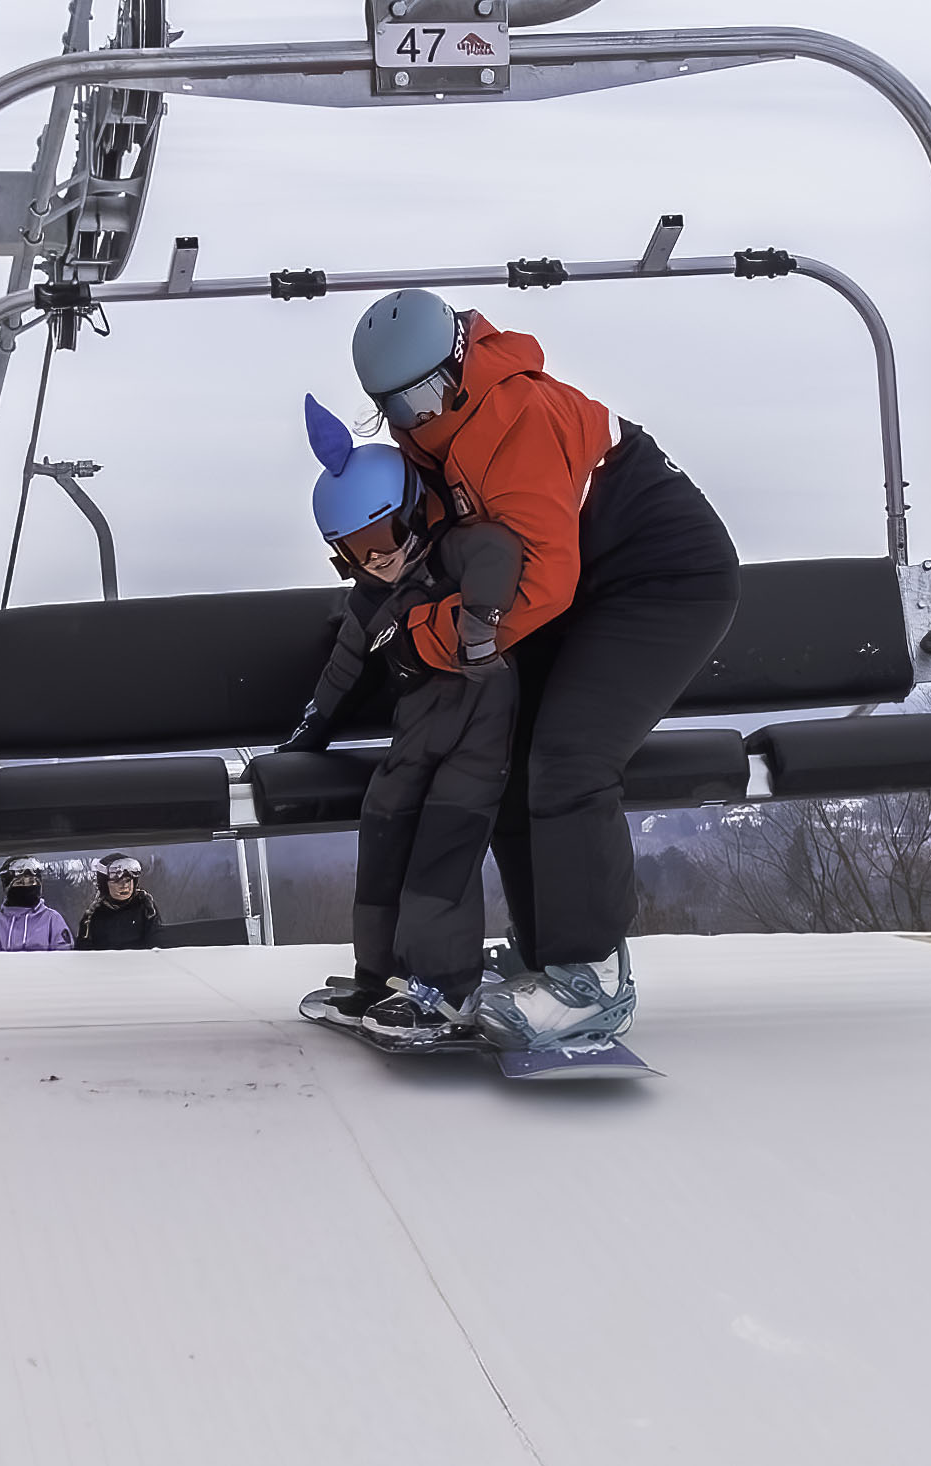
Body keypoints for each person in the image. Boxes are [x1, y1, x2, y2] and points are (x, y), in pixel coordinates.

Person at [344, 289, 740, 1052]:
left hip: (662, 579)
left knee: (570, 759)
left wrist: (424, 637)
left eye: (426, 392)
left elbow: (541, 583)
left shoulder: (511, 416)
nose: (416, 414)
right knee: (513, 760)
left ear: (458, 361)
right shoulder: (432, 435)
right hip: (584, 587)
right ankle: (545, 959)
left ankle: (589, 981)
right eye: (394, 403)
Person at [283, 395, 522, 1043]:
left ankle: (444, 988)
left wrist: (479, 621)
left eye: (385, 536)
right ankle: (379, 976)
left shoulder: (456, 554)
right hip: (413, 737)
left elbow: (500, 554)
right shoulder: (369, 604)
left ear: (416, 509)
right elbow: (341, 676)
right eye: (355, 550)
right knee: (383, 838)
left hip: (477, 733)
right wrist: (306, 736)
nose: (379, 558)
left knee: (439, 857)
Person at [0, 855, 75, 952]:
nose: (26, 887)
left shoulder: (52, 920)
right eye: (19, 883)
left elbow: (63, 957)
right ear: (7, 887)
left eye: (32, 882)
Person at [76, 852, 162, 950]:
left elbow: (158, 944)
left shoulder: (146, 907)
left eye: (128, 880)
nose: (125, 886)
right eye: (117, 881)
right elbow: (83, 953)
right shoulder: (93, 915)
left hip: (142, 963)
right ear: (104, 885)